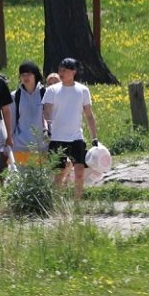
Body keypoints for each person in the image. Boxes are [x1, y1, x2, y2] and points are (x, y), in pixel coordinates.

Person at [42, 57, 99, 198]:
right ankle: (57, 203)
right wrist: (46, 126)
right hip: (57, 137)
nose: (61, 73)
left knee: (79, 172)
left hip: (76, 137)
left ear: (73, 72)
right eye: (60, 69)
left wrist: (94, 138)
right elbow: (45, 112)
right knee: (58, 174)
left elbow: (89, 115)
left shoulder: (83, 90)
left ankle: (77, 203)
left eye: (64, 70)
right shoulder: (52, 90)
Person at [6, 61, 47, 165]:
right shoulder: (15, 96)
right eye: (23, 75)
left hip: (42, 146)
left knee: (41, 178)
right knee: (23, 178)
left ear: (35, 75)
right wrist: (9, 139)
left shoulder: (45, 94)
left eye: (29, 74)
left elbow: (50, 118)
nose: (25, 77)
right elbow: (12, 121)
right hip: (20, 145)